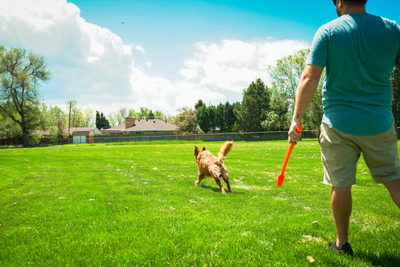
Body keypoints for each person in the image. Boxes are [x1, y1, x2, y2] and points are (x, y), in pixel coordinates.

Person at [288, 0, 400, 256]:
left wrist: (296, 119)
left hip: (338, 125)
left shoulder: (327, 31)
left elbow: (310, 77)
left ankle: (342, 244)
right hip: (379, 123)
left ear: (339, 1)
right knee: (394, 179)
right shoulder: (393, 29)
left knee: (340, 185)